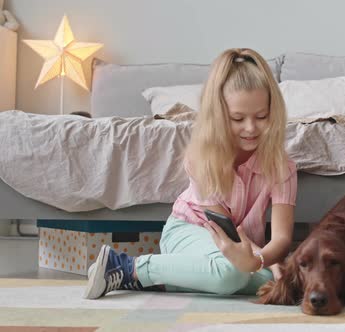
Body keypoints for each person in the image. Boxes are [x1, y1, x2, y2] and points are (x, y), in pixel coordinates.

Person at [83, 48, 297, 299]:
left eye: (261, 116)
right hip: (189, 231)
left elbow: (282, 238)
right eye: (238, 118)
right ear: (218, 115)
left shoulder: (282, 166)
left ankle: (163, 278)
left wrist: (262, 260)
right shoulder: (202, 158)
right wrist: (263, 261)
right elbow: (225, 232)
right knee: (233, 273)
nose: (250, 128)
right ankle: (129, 267)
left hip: (245, 250)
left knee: (275, 281)